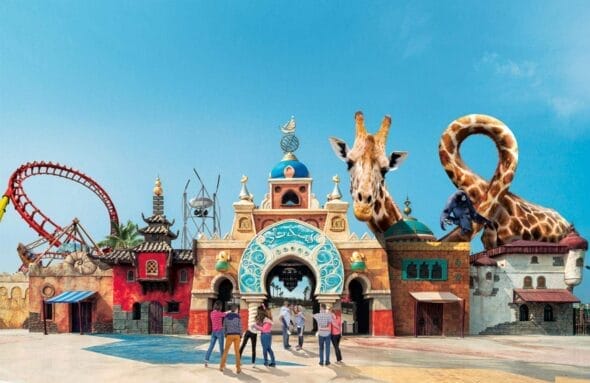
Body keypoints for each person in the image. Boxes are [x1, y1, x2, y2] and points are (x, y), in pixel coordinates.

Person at [220, 303, 242, 374]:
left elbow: (224, 327)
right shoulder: (238, 316)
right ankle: (238, 368)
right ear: (236, 309)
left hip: (229, 335)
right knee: (237, 352)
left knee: (226, 351)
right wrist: (241, 335)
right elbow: (240, 327)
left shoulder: (226, 316)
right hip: (237, 335)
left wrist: (225, 334)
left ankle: (221, 366)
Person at [204, 300, 225, 367]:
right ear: (220, 307)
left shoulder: (212, 313)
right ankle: (222, 363)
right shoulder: (219, 313)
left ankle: (206, 361)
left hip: (214, 332)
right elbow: (225, 314)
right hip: (220, 332)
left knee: (211, 347)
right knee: (221, 347)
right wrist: (230, 311)